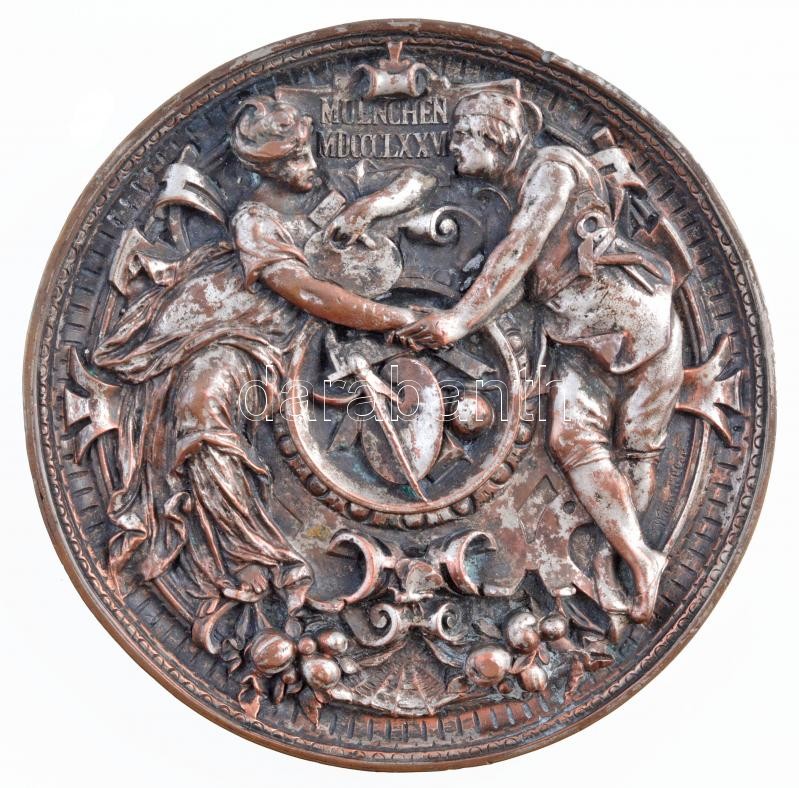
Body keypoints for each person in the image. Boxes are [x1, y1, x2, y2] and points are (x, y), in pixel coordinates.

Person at [92, 95, 433, 620]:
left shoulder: (330, 195)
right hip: (221, 334)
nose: (310, 165)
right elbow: (305, 292)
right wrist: (396, 319)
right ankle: (244, 555)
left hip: (279, 348)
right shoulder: (254, 220)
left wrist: (371, 206)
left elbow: (419, 180)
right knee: (201, 412)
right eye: (294, 161)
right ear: (265, 170)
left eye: (308, 151)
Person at [395, 89, 682, 623]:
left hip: (639, 328)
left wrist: (458, 321)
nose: (452, 148)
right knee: (570, 440)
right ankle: (637, 556)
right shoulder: (519, 190)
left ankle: (626, 561)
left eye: (461, 137)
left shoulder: (553, 167)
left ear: (494, 135)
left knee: (638, 452)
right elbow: (521, 276)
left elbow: (523, 246)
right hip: (579, 338)